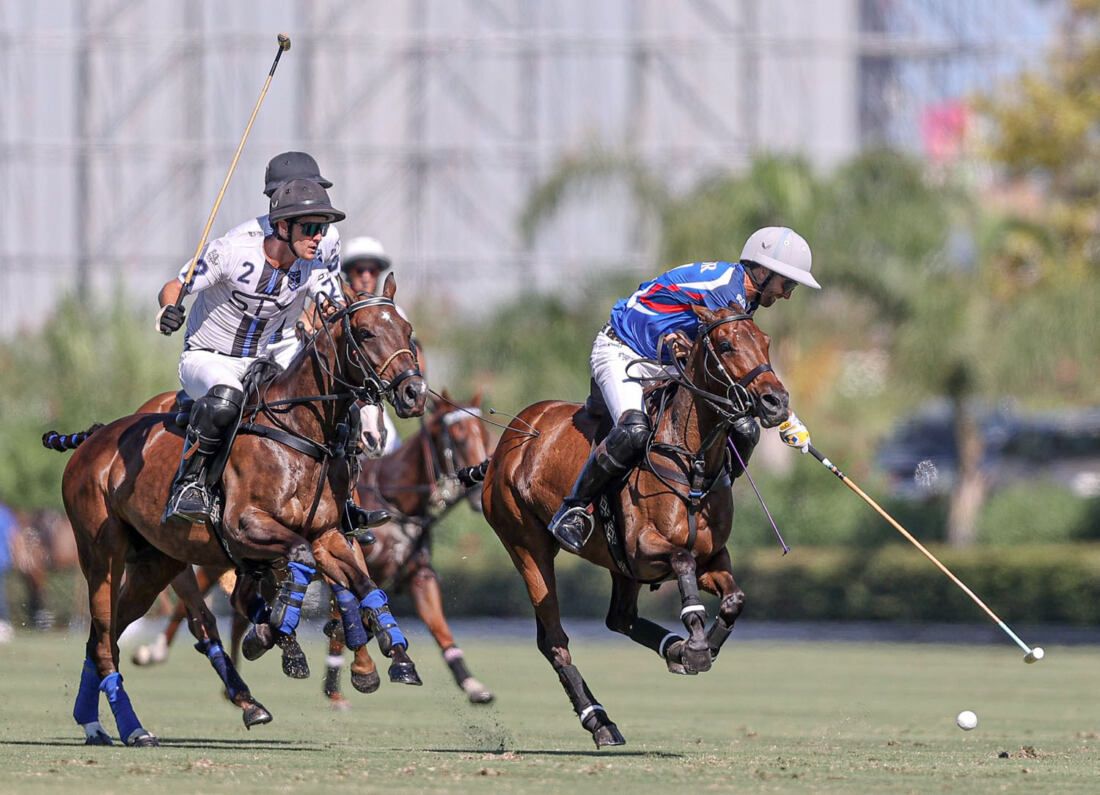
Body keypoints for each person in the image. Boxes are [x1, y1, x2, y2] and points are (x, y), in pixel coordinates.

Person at [547, 226, 821, 553]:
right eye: (786, 283)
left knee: (745, 429)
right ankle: (574, 509)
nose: (787, 294)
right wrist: (786, 417)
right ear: (762, 271)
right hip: (624, 350)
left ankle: (707, 495)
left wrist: (785, 419)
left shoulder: (743, 300)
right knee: (634, 431)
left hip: (666, 362)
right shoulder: (723, 295)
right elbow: (742, 371)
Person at [156, 179, 349, 524]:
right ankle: (189, 485)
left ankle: (336, 500)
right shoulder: (231, 252)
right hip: (207, 357)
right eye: (310, 228)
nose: (318, 236)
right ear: (282, 226)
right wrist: (169, 310)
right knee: (227, 396)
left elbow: (335, 305)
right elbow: (175, 286)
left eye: (322, 228)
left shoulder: (310, 266)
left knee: (318, 402)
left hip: (260, 363)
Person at [342, 236, 409, 456]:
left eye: (373, 270)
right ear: (348, 273)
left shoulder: (394, 315)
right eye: (359, 270)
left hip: (374, 404)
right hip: (340, 400)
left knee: (393, 452)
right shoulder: (328, 307)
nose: (366, 276)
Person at [0, 501, 17, 643]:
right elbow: (13, 537)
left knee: (1, 595)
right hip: (4, 560)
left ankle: (4, 625)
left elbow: (13, 537)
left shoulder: (4, 514)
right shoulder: (6, 513)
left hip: (1, 561)